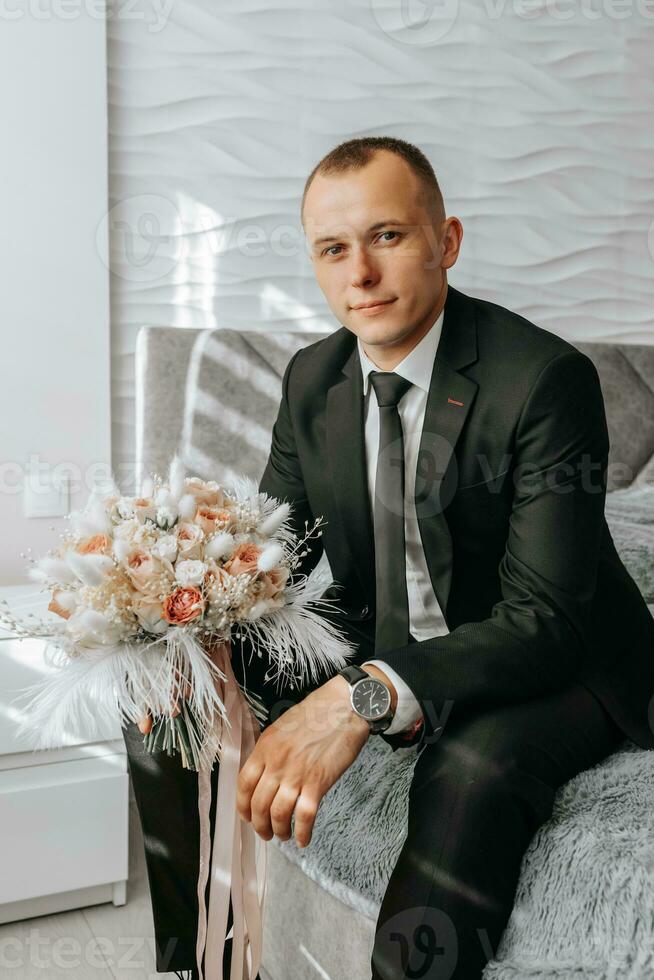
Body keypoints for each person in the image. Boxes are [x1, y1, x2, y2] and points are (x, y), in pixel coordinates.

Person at [122, 135, 654, 980]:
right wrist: (177, 612)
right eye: (333, 249)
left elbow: (545, 619)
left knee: (469, 773)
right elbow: (279, 562)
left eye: (388, 237)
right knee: (166, 686)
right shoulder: (312, 379)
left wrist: (357, 698)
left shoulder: (545, 379)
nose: (358, 274)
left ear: (446, 242)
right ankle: (198, 963)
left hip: (554, 657)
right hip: (388, 627)